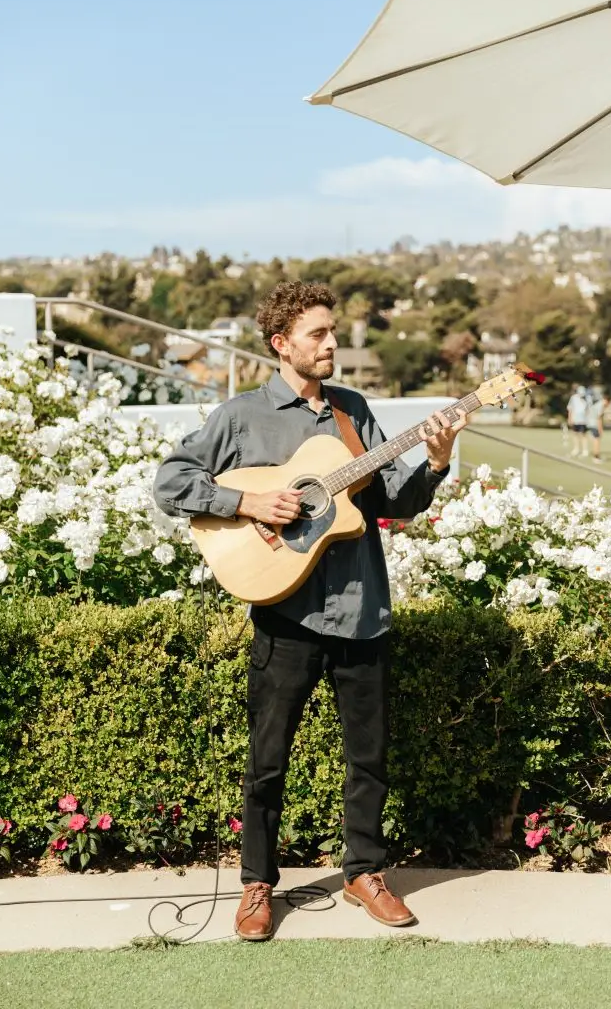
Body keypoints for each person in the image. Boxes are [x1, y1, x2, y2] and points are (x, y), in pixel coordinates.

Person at [153, 281, 465, 941]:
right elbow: (171, 481)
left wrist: (435, 461)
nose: (331, 344)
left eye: (332, 332)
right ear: (281, 343)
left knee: (369, 758)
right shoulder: (241, 417)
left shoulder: (353, 412)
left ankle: (363, 873)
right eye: (319, 334)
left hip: (362, 610)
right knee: (268, 761)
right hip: (284, 614)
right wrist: (249, 504)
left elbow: (392, 504)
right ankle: (257, 884)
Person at [585, 391, 609, 464]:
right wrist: (600, 429)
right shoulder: (600, 406)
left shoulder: (597, 404)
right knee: (597, 441)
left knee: (595, 440)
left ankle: (597, 456)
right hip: (594, 424)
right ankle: (596, 457)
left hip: (590, 423)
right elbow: (599, 418)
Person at [566, 385, 589, 457]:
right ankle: (576, 449)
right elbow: (570, 408)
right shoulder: (573, 398)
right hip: (575, 419)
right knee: (575, 434)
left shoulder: (587, 398)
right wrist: (570, 418)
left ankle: (585, 450)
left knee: (583, 435)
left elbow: (588, 410)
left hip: (583, 420)